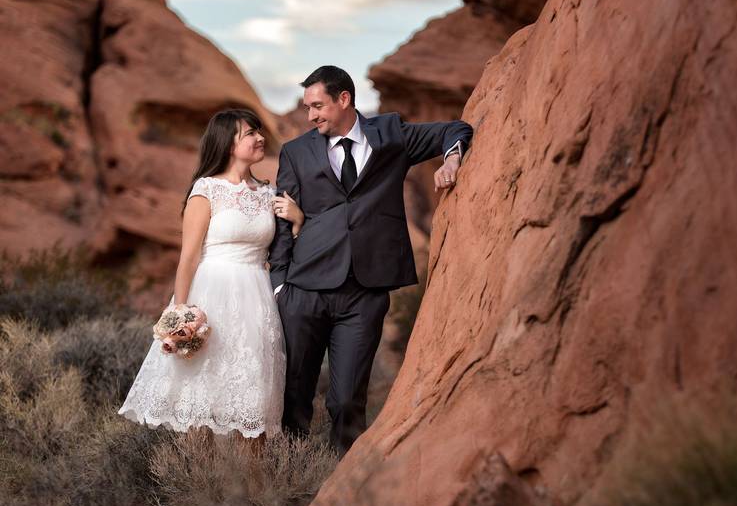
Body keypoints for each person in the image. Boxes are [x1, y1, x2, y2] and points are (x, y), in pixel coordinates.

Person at [268, 65, 473, 456]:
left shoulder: (391, 134)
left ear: (344, 99)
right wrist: (280, 285)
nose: (310, 116)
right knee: (295, 398)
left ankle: (339, 493)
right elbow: (283, 218)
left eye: (317, 106)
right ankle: (290, 492)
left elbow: (455, 129)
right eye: (308, 108)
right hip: (304, 289)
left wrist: (451, 160)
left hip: (364, 293)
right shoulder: (296, 152)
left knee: (346, 401)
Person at [119, 108, 305, 438]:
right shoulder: (206, 190)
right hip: (212, 294)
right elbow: (188, 257)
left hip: (256, 297)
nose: (260, 138)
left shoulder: (267, 193)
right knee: (204, 394)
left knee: (254, 393)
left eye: (259, 131)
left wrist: (297, 220)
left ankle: (257, 485)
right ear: (228, 143)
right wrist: (180, 311)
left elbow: (281, 251)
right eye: (250, 133)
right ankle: (203, 483)